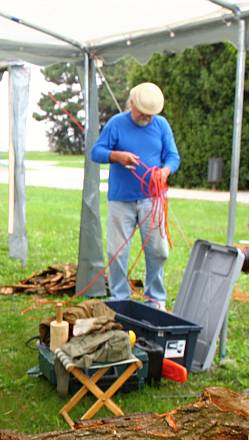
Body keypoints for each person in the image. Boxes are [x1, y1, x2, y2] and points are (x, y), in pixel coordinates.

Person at [91, 82, 180, 309]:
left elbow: (172, 156)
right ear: (131, 104)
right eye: (142, 111)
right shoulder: (116, 124)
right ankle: (119, 297)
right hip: (121, 199)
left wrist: (165, 171)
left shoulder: (161, 125)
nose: (146, 117)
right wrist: (116, 156)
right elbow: (96, 152)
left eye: (150, 113)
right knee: (116, 250)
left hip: (153, 199)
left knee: (158, 249)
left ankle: (155, 297)